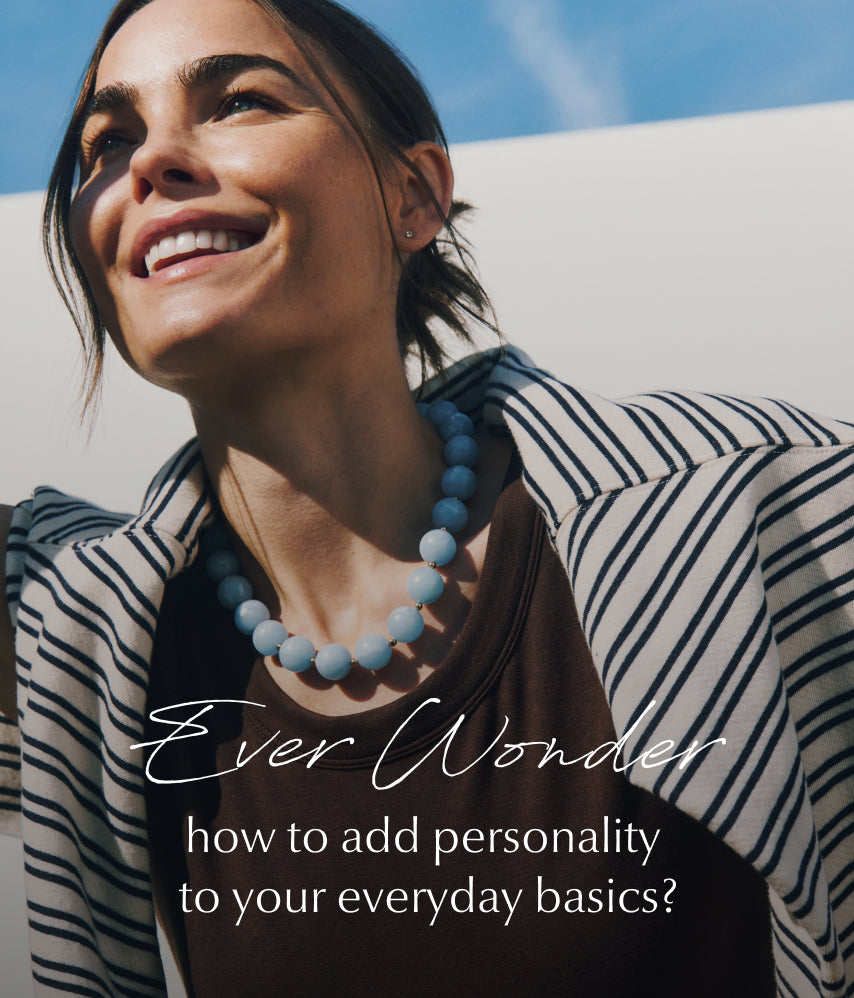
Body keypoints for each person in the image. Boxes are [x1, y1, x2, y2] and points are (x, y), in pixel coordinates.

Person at [1, 0, 852, 995]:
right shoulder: (79, 629)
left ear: (413, 195)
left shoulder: (757, 512)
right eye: (109, 138)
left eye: (238, 101)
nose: (150, 162)